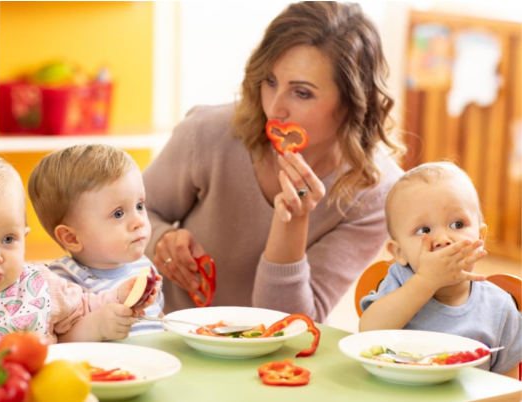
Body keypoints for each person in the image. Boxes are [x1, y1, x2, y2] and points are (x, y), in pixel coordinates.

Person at [143, 1, 404, 320]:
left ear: (352, 102)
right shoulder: (207, 133)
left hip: (273, 349)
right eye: (270, 81)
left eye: (302, 93)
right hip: (169, 332)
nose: (275, 109)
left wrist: (292, 222)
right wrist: (160, 239)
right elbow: (132, 211)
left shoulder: (375, 194)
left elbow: (292, 323)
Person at [0, 154, 158, 373]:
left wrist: (118, 296)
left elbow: (85, 306)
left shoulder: (42, 284)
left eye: (8, 239)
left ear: (24, 237)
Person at [359, 162, 521, 378]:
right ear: (399, 252)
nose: (443, 239)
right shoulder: (399, 282)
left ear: (480, 238)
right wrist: (425, 281)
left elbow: (509, 387)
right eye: (423, 230)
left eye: (457, 225)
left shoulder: (500, 308)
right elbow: (368, 333)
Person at [28, 144, 164, 335]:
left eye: (140, 206)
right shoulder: (62, 280)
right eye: (118, 214)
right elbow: (57, 340)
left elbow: (158, 317)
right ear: (71, 238)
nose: (138, 221)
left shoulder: (143, 266)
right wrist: (97, 327)